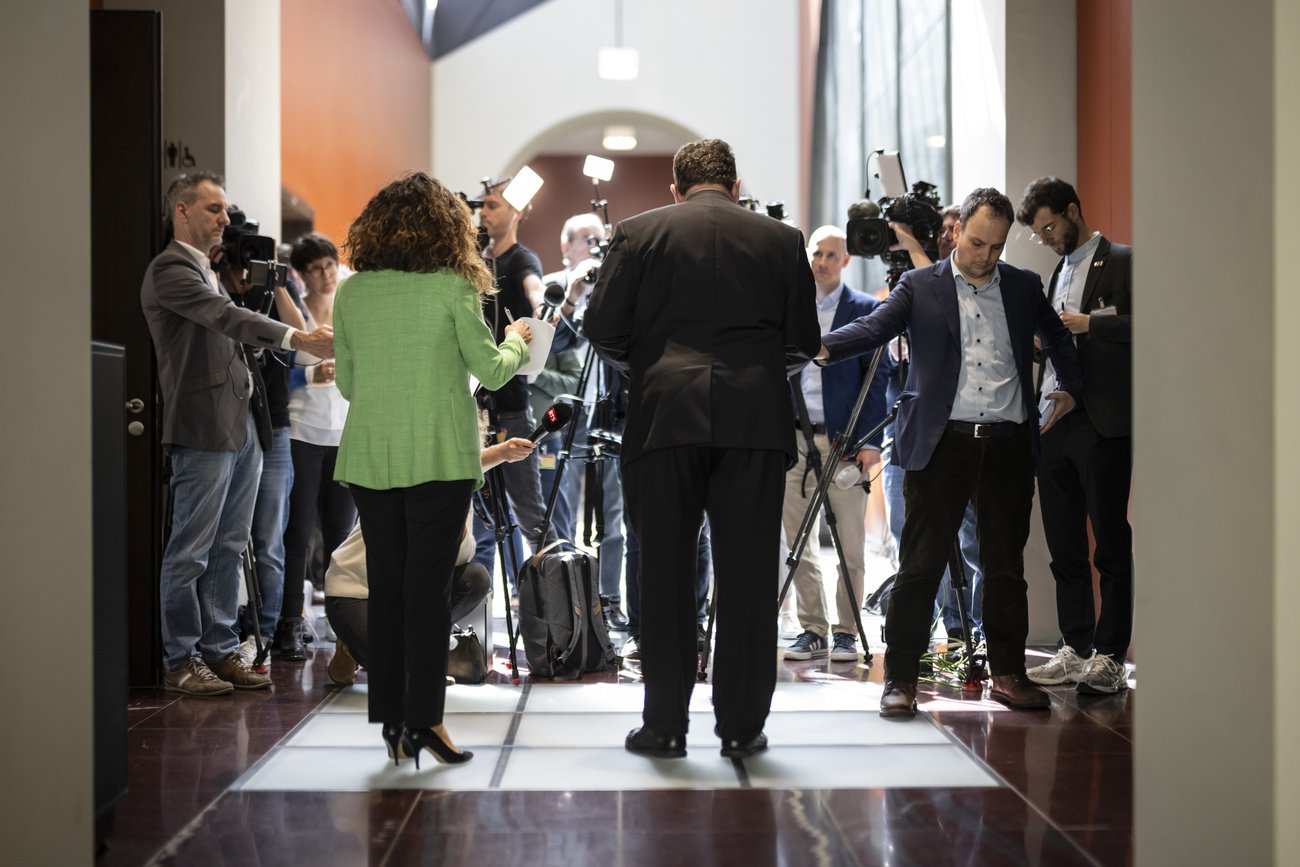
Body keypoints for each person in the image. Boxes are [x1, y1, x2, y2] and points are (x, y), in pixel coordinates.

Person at [585, 138, 821, 759]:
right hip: (754, 423)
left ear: (675, 189)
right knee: (747, 576)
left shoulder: (637, 233)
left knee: (661, 572)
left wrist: (654, 370)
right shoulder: (782, 240)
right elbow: (802, 341)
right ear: (737, 185)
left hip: (664, 419)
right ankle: (742, 727)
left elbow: (601, 329)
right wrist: (755, 373)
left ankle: (664, 726)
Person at [818, 187, 1083, 718]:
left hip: (1007, 446)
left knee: (1005, 567)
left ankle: (1007, 672)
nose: (986, 255)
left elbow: (1057, 338)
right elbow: (875, 328)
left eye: (997, 247)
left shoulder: (1024, 287)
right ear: (958, 230)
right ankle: (900, 679)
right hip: (941, 445)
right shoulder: (919, 285)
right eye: (979, 242)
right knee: (921, 566)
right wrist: (823, 345)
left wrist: (1069, 386)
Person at [332, 172, 532, 766]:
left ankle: (394, 725)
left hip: (370, 454)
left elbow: (346, 382)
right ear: (446, 228)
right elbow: (493, 372)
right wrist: (518, 339)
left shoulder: (353, 292)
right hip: (439, 457)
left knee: (388, 588)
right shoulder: (452, 288)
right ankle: (427, 723)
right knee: (427, 591)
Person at [141, 171, 333, 696]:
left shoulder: (207, 269)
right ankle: (180, 659)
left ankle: (221, 650)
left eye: (225, 211)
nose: (226, 219)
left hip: (243, 423)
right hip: (201, 427)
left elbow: (233, 325)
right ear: (181, 211)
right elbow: (226, 318)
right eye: (213, 210)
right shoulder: (169, 270)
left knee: (229, 545)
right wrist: (298, 337)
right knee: (191, 550)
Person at [1016, 177, 1133, 694]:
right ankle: (1074, 645)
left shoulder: (1126, 261)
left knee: (1109, 543)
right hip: (1054, 419)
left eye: (1049, 228)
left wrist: (1090, 324)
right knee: (1063, 544)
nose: (1047, 240)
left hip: (1103, 422)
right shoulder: (1056, 271)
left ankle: (1109, 656)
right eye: (1040, 235)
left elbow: (1158, 323)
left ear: (1072, 210)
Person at [324, 438, 535, 685]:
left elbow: (458, 558)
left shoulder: (456, 485)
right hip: (356, 593)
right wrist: (500, 453)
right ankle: (358, 646)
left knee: (475, 578)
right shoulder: (413, 474)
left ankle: (376, 651)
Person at [782, 225, 889, 664]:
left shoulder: (865, 310)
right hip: (792, 437)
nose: (822, 261)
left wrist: (870, 442)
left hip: (845, 442)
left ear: (846, 260)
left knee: (849, 543)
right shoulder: (788, 307)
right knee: (797, 541)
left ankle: (847, 630)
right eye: (816, 253)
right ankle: (813, 627)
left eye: (831, 254)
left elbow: (877, 378)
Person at [880, 204, 985, 646]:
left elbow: (953, 317)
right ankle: (919, 631)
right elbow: (888, 359)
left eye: (950, 231)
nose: (944, 238)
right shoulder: (910, 286)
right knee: (910, 537)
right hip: (908, 428)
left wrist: (912, 248)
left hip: (961, 432)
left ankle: (968, 631)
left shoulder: (971, 287)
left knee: (971, 540)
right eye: (939, 231)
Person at [215, 235, 308, 667]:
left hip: (273, 427)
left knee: (268, 539)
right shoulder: (211, 291)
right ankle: (221, 630)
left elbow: (304, 340)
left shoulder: (266, 292)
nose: (242, 270)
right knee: (225, 539)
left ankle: (265, 632)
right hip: (225, 426)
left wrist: (278, 282)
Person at [537, 213, 629, 628]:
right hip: (566, 415)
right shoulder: (553, 289)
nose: (593, 248)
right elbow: (543, 348)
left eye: (599, 241)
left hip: (610, 413)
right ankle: (567, 597)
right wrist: (573, 295)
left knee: (613, 514)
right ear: (567, 247)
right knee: (561, 509)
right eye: (585, 241)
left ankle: (608, 598)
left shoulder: (619, 286)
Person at [275, 233, 357, 660]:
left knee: (342, 536)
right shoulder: (292, 307)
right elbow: (278, 367)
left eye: (328, 265)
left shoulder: (351, 301)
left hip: (345, 433)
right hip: (303, 432)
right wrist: (310, 376)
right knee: (298, 532)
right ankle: (289, 622)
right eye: (314, 269)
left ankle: (345, 631)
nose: (324, 274)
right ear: (300, 274)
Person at [471, 178, 555, 576]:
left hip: (510, 407)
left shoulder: (522, 260)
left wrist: (542, 308)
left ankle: (558, 601)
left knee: (530, 513)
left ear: (516, 212)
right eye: (483, 206)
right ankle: (478, 610)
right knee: (479, 517)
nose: (483, 212)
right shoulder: (474, 265)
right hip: (473, 403)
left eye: (492, 205)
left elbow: (535, 287)